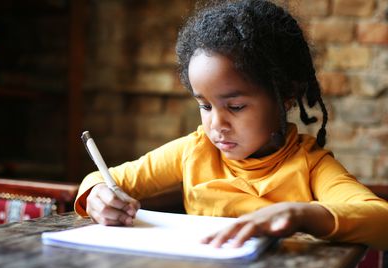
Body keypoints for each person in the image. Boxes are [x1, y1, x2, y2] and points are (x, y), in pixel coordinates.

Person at [75, 0, 388, 250]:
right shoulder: (194, 152)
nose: (217, 124)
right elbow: (101, 179)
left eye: (235, 107)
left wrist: (299, 214)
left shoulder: (309, 166)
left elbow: (381, 219)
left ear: (287, 95)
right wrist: (98, 197)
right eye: (205, 105)